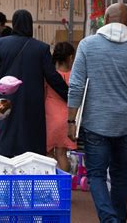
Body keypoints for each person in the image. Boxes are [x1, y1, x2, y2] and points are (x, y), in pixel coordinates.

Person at [67, 3, 127, 222]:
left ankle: (108, 218)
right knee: (120, 174)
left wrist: (71, 120)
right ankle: (117, 219)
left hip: (95, 124)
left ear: (104, 20)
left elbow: (76, 86)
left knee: (97, 174)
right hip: (126, 125)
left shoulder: (87, 45)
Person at [0, 9, 68, 157]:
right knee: (29, 140)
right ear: (30, 25)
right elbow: (52, 76)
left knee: (4, 137)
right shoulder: (41, 48)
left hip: (4, 101)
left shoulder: (1, 44)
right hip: (31, 102)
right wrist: (69, 95)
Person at [45, 42, 76, 172]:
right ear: (70, 57)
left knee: (48, 154)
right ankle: (65, 184)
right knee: (62, 154)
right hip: (67, 118)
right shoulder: (74, 76)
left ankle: (52, 183)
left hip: (50, 117)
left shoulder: (49, 76)